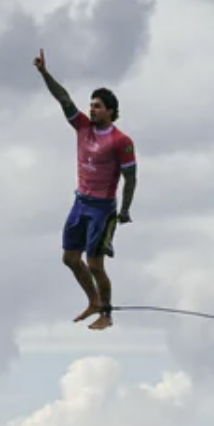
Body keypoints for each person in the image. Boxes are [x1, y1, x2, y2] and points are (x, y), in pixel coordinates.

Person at [33, 48, 136, 331]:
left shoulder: (121, 141)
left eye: (98, 106)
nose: (92, 110)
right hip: (80, 202)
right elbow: (63, 98)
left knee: (95, 265)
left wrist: (125, 210)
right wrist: (44, 73)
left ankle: (106, 313)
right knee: (69, 258)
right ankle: (92, 301)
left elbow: (131, 178)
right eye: (91, 105)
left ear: (111, 112)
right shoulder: (82, 127)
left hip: (102, 209)